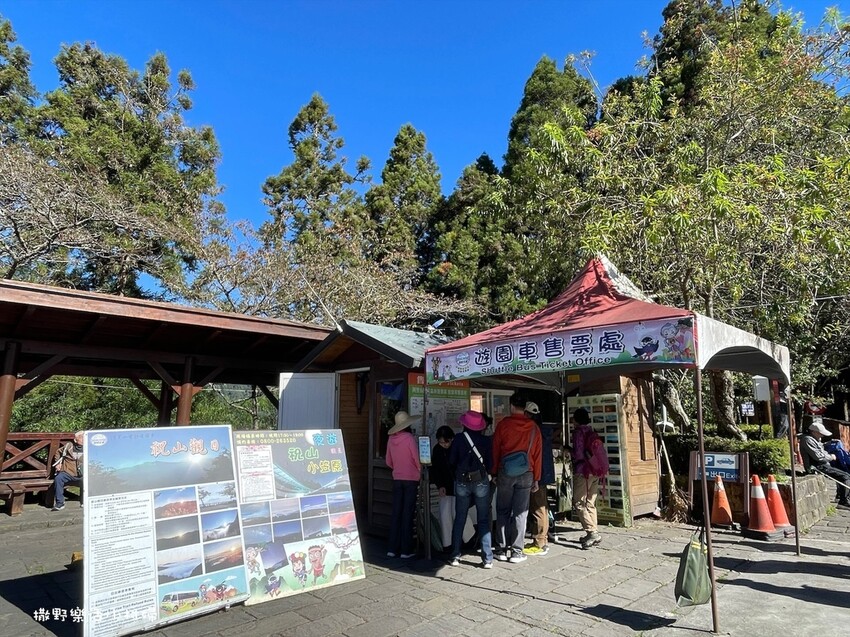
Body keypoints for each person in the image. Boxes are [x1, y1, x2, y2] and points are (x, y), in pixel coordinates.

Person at [491, 393, 542, 564]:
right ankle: (517, 552)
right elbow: (538, 455)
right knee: (521, 512)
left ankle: (500, 549)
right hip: (527, 473)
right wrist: (536, 478)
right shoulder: (534, 428)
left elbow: (496, 450)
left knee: (503, 510)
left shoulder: (503, 425)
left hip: (505, 472)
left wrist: (494, 472)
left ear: (511, 405)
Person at [448, 410, 494, 568]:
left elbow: (452, 460)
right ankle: (487, 558)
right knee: (483, 519)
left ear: (464, 424)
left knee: (460, 518)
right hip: (480, 481)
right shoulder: (486, 441)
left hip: (461, 482)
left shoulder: (459, 439)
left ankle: (455, 556)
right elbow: (490, 464)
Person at [385, 411, 421, 558]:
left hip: (397, 479)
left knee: (396, 514)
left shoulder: (390, 440)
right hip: (411, 479)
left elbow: (388, 461)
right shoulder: (409, 439)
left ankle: (392, 549)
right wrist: (419, 470)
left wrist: (397, 468)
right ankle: (406, 550)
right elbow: (416, 459)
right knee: (408, 513)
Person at [523, 401, 554, 556]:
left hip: (538, 474)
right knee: (542, 506)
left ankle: (540, 542)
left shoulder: (533, 431)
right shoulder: (545, 431)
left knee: (538, 507)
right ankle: (543, 539)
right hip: (546, 473)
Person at [569, 408, 603, 549]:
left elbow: (578, 454)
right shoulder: (591, 431)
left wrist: (567, 450)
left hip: (582, 471)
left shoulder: (578, 433)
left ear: (576, 420)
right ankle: (592, 533)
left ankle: (592, 532)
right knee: (590, 503)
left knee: (578, 502)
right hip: (595, 470)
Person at [800, 421, 850, 510]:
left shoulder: (814, 439)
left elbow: (822, 451)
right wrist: (830, 457)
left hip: (823, 464)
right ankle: (843, 502)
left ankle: (840, 496)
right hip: (817, 467)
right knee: (845, 476)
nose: (822, 436)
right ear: (814, 432)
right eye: (821, 433)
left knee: (843, 472)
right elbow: (818, 457)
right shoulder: (807, 440)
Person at [430, 425, 456, 553]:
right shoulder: (437, 450)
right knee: (445, 514)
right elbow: (435, 470)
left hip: (457, 485)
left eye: (446, 442)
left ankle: (460, 540)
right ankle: (448, 543)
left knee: (457, 514)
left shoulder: (455, 447)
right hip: (445, 486)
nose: (444, 445)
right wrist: (439, 485)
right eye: (441, 442)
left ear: (451, 439)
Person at [52, 431, 83, 511]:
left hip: (83, 474)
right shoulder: (69, 446)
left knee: (89, 481)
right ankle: (60, 503)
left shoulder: (90, 447)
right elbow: (58, 452)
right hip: (67, 472)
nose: (84, 439)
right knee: (58, 479)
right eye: (81, 437)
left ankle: (84, 501)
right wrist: (57, 464)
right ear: (75, 440)